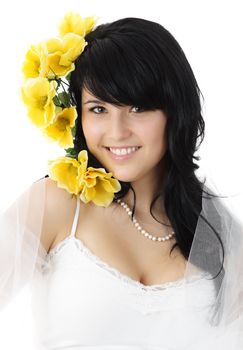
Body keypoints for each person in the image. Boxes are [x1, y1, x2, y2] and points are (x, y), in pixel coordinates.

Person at [0, 12, 243, 350]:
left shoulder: (215, 225)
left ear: (175, 111)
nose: (117, 132)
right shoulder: (57, 204)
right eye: (99, 109)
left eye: (138, 107)